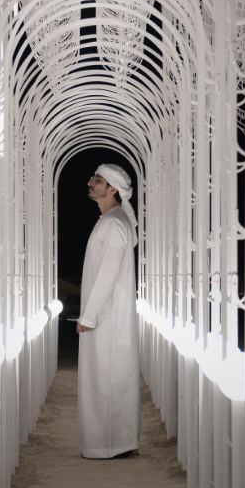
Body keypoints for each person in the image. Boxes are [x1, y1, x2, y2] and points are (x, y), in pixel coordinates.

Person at [76, 163, 141, 458]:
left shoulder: (114, 223)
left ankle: (113, 444)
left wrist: (89, 315)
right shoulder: (109, 220)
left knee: (108, 380)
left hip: (108, 316)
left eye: (97, 180)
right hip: (106, 314)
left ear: (112, 189)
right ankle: (106, 443)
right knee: (101, 379)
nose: (90, 183)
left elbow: (109, 273)